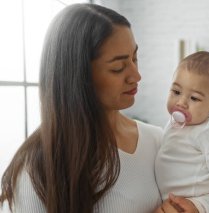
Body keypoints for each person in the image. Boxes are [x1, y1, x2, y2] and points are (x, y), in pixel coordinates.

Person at [0, 3, 198, 213]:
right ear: (78, 75)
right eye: (118, 67)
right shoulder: (37, 167)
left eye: (134, 58)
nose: (136, 76)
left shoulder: (157, 139)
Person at [155, 51, 209, 213]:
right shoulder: (173, 124)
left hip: (199, 201)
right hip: (171, 199)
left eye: (194, 98)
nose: (181, 102)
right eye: (176, 92)